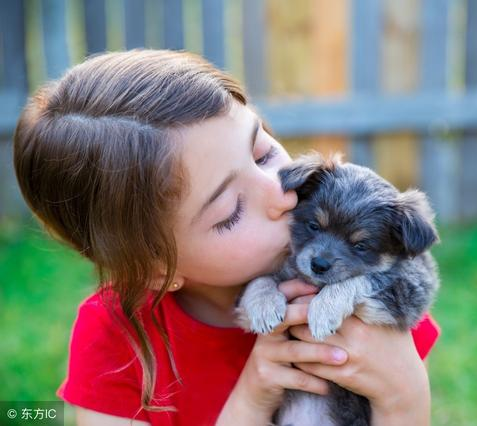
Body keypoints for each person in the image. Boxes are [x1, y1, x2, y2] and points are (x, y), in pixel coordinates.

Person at [13, 49, 440, 425]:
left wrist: (404, 394)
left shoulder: (364, 307)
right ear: (155, 267)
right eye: (230, 212)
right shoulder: (114, 338)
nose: (279, 192)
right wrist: (253, 397)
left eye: (263, 153)